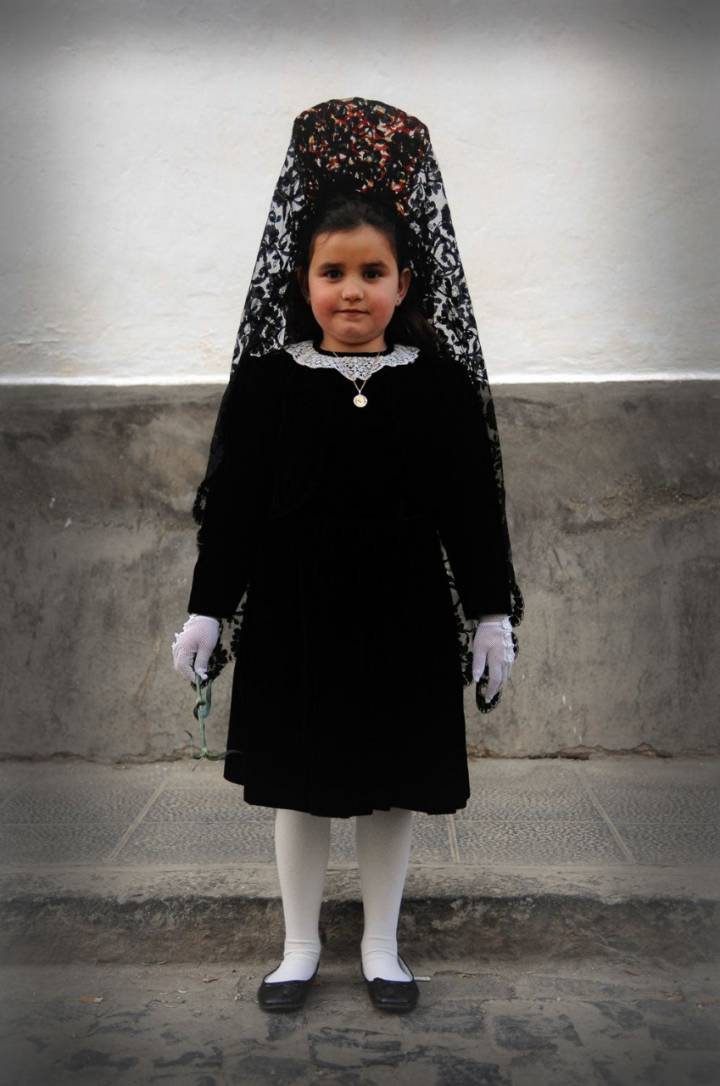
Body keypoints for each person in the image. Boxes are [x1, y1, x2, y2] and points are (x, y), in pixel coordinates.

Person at [172, 99, 523, 1014]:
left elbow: (472, 511)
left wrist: (492, 612)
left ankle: (381, 946)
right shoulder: (266, 383)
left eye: (374, 272)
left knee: (390, 788)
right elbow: (237, 513)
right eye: (334, 273)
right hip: (296, 618)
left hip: (402, 618)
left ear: (406, 283)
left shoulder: (437, 386)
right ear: (303, 279)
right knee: (301, 786)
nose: (354, 291)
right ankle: (297, 947)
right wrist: (208, 607)